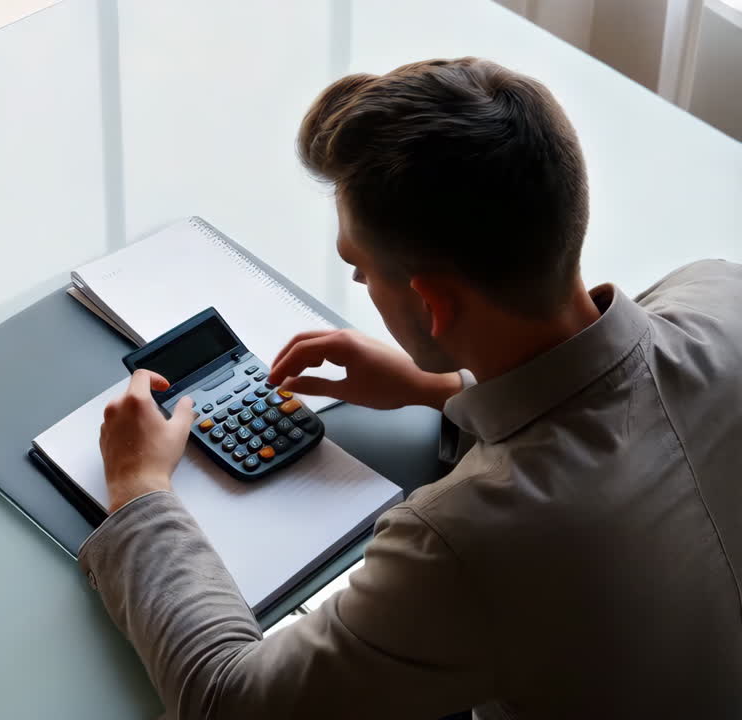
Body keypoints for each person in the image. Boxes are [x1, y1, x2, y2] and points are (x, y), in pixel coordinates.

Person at [83, 57, 742, 719]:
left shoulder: (462, 544)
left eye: (360, 268)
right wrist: (444, 386)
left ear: (431, 304)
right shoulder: (719, 292)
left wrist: (140, 494)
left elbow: (228, 701)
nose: (360, 286)